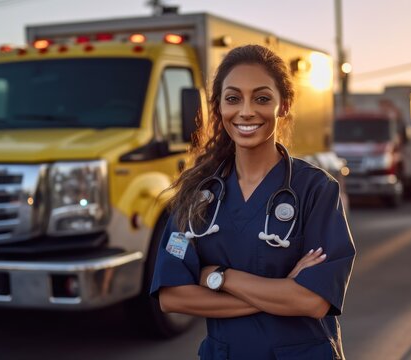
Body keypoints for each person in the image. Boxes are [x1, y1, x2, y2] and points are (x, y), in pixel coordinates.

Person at [150, 44, 356, 359]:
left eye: (261, 98)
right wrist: (282, 290)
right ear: (218, 107)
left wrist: (218, 277)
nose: (246, 111)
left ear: (283, 105)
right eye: (233, 98)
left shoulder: (315, 189)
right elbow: (173, 297)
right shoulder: (197, 195)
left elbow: (313, 301)